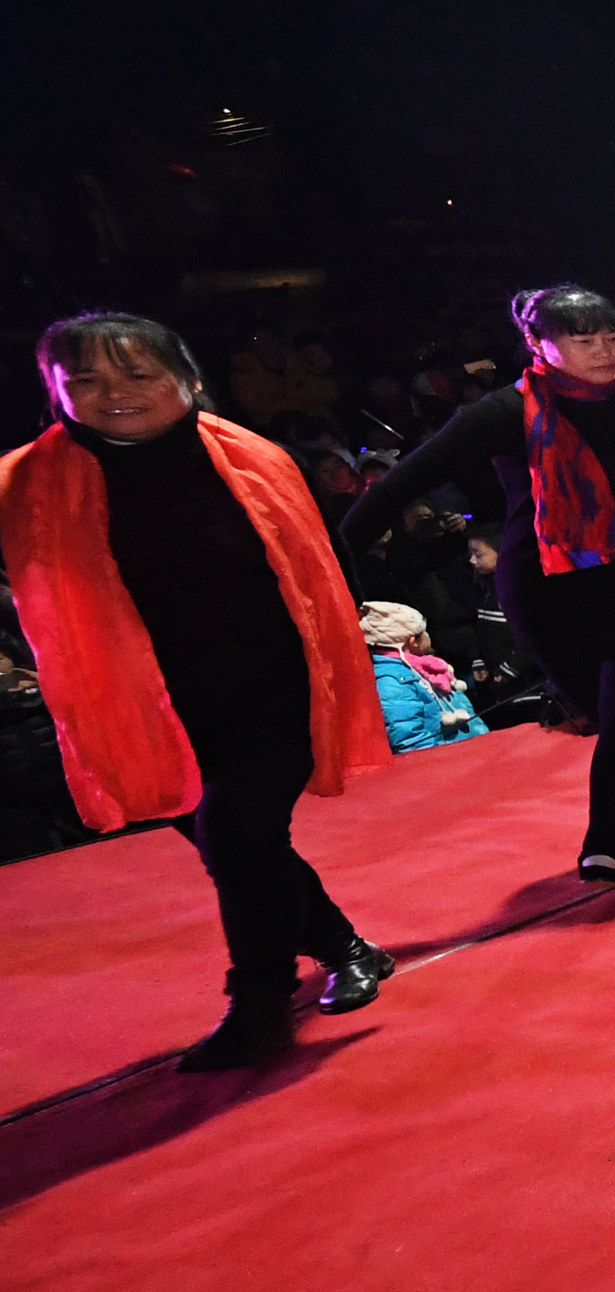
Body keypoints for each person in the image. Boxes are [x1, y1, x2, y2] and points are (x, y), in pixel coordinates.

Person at [2, 314, 396, 1067]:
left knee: (240, 835)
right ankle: (348, 946)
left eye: (138, 375)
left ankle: (258, 1002)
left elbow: (329, 563)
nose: (115, 394)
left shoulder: (254, 461)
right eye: (87, 379)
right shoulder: (25, 483)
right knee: (239, 849)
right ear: (55, 390)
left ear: (187, 381)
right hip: (145, 705)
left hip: (271, 684)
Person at [349, 284, 615, 885]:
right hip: (551, 591)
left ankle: (602, 845)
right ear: (539, 344)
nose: (607, 352)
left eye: (614, 336)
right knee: (607, 716)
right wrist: (330, 564)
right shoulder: (506, 412)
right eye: (584, 340)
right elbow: (402, 482)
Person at [359, 601, 487, 751]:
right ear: (412, 641)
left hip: (476, 752)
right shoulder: (392, 682)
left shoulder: (426, 667)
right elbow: (410, 741)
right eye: (424, 632)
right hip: (455, 762)